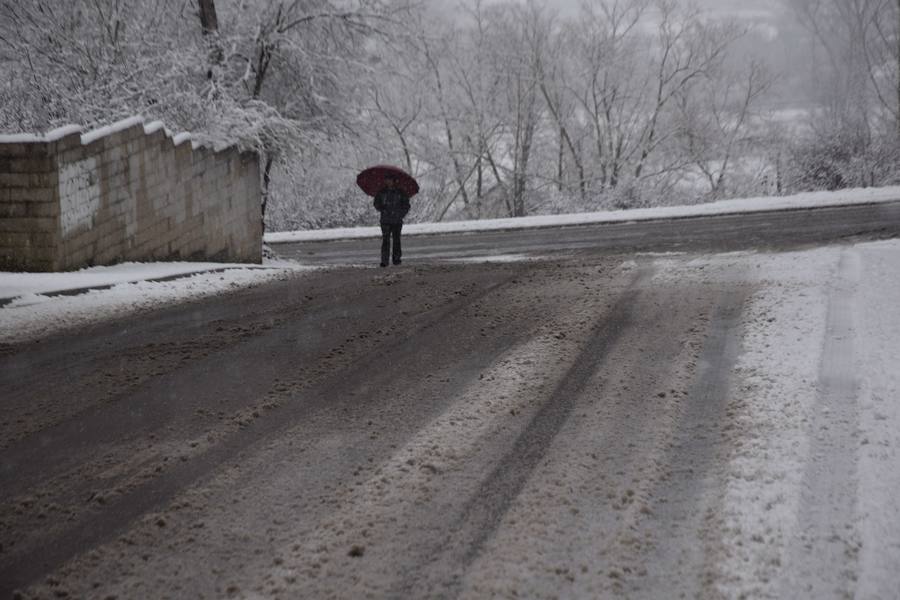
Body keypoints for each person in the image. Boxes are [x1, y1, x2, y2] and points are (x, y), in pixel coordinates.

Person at [373, 174, 411, 267]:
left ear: (394, 181)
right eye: (386, 180)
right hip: (385, 220)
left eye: (389, 180)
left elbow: (406, 205)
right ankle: (384, 260)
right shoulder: (381, 192)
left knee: (396, 240)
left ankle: (396, 259)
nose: (388, 182)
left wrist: (400, 214)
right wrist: (382, 208)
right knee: (386, 240)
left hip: (397, 220)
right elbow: (376, 203)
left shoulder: (400, 192)